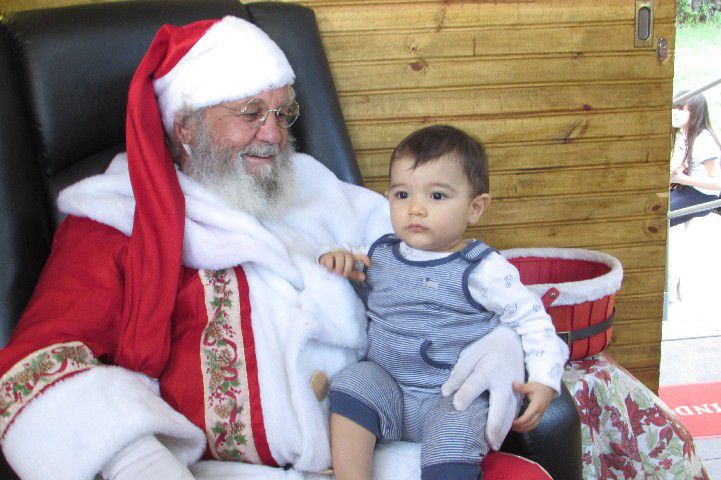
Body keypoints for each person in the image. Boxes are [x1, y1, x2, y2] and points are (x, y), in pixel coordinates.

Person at [0, 17, 532, 480]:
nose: (273, 135)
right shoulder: (113, 219)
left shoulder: (314, 184)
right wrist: (136, 460)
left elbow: (436, 261)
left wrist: (504, 340)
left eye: (282, 113)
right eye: (251, 111)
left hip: (374, 451)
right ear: (185, 126)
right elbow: (35, 366)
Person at [319, 126, 569, 480]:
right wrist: (338, 259)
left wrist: (545, 379)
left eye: (436, 196)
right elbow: (352, 272)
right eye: (402, 194)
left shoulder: (483, 269)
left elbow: (533, 321)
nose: (415, 209)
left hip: (449, 396)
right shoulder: (379, 253)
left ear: (475, 208)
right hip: (388, 386)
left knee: (455, 433)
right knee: (352, 381)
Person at [669, 91, 721, 227]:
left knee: (659, 220)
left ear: (696, 112)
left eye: (681, 109)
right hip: (685, 189)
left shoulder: (703, 140)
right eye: (673, 107)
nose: (674, 112)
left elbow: (718, 183)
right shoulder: (685, 136)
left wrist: (684, 180)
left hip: (704, 196)